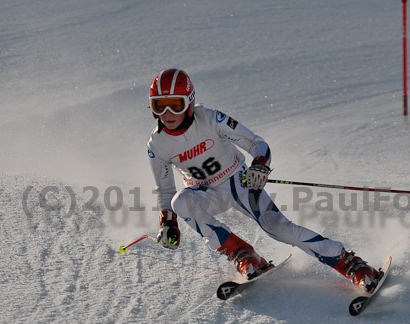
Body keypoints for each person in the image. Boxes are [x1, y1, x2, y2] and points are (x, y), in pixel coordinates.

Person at [146, 68, 380, 292]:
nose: (167, 113)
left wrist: (259, 165)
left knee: (278, 228)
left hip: (240, 182)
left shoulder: (210, 119)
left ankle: (351, 264)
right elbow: (165, 190)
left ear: (189, 101)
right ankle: (244, 255)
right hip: (207, 194)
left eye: (175, 104)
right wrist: (168, 223)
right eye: (159, 105)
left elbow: (256, 143)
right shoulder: (157, 145)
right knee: (180, 202)